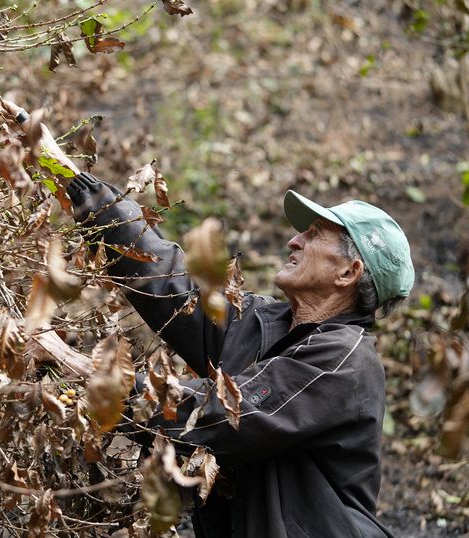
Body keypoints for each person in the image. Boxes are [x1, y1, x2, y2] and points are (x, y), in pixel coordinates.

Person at [63, 170, 414, 538]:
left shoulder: (345, 360)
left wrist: (92, 378)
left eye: (313, 235)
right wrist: (92, 198)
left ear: (348, 272)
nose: (294, 241)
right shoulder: (266, 322)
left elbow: (227, 414)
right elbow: (174, 288)